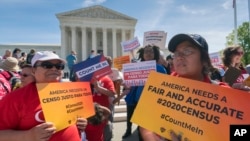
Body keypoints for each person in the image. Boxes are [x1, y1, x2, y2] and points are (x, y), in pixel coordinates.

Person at [139, 33, 229, 141]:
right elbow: (145, 123)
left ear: (204, 60)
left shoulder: (224, 95)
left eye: (187, 51)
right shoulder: (160, 87)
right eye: (176, 53)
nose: (179, 57)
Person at [0, 51, 87, 141]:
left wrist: (80, 123)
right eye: (47, 65)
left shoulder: (70, 92)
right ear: (33, 70)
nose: (54, 69)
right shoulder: (15, 98)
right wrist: (28, 136)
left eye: (59, 66)